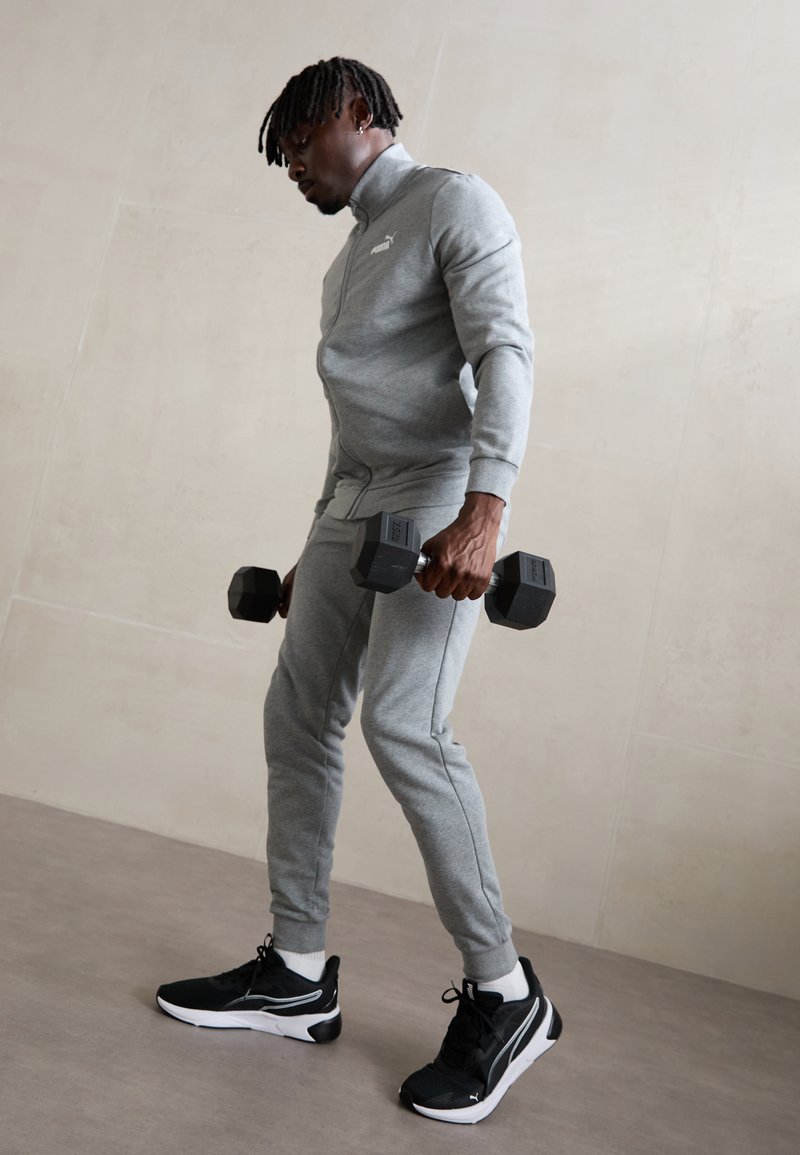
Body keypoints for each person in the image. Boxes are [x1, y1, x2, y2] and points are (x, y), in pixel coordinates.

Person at [156, 57, 561, 1125]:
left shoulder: (453, 201)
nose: (291, 163)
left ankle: (506, 991)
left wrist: (484, 510)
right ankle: (295, 973)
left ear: (356, 113)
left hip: (437, 490)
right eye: (283, 153)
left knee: (404, 725)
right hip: (355, 502)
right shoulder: (346, 261)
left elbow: (505, 353)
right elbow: (353, 426)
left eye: (299, 139)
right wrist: (314, 547)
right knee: (297, 714)